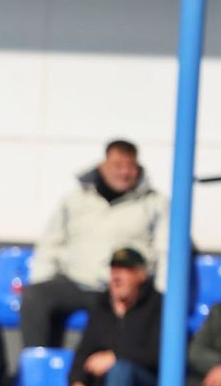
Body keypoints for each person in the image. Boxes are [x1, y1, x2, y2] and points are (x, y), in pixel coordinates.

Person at [21, 139, 169, 348]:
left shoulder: (154, 203)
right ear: (102, 166)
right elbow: (50, 244)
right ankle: (37, 367)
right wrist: (42, 278)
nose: (125, 172)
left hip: (122, 290)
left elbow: (166, 249)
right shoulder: (75, 200)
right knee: (35, 296)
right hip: (76, 282)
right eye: (118, 165)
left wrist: (160, 293)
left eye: (130, 166)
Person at [40, 248, 162, 386]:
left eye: (124, 270)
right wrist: (78, 383)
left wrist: (116, 357)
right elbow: (83, 352)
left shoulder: (158, 305)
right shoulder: (101, 306)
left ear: (141, 275)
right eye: (114, 270)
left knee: (122, 369)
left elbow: (159, 354)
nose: (116, 276)